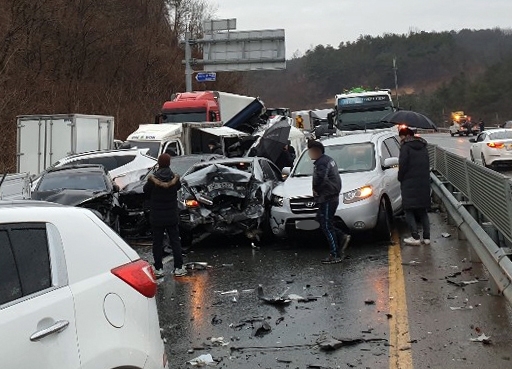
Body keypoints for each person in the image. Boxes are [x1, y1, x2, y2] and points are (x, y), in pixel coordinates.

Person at [143, 153, 187, 277]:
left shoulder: (153, 179)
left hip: (157, 216)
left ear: (159, 163)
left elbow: (145, 191)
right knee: (175, 241)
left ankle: (158, 268)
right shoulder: (174, 178)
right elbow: (178, 188)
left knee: (157, 242)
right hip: (172, 215)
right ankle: (179, 267)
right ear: (169, 163)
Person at [308, 140, 351, 264]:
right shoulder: (327, 160)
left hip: (327, 197)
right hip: (330, 196)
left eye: (311, 151)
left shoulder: (321, 163)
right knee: (323, 222)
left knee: (326, 225)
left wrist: (316, 189)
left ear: (317, 151)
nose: (309, 154)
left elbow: (320, 178)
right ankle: (342, 237)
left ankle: (335, 254)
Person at [398, 127, 431, 246]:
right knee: (423, 210)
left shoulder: (405, 148)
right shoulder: (423, 147)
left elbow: (403, 166)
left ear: (405, 136)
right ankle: (427, 238)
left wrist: (400, 178)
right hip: (423, 182)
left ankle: (415, 237)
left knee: (409, 209)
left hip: (409, 182)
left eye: (401, 137)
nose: (400, 139)